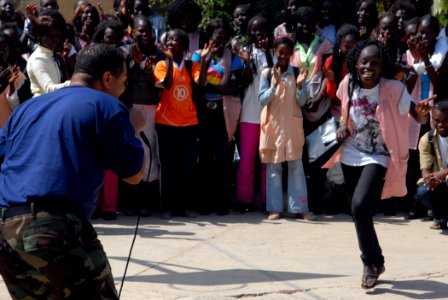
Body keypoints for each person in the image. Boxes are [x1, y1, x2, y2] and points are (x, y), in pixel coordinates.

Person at [0, 43, 145, 299]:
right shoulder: (107, 106)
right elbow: (134, 175)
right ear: (108, 79)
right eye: (123, 82)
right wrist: (132, 128)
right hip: (54, 227)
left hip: (6, 229)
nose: (123, 90)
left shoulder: (28, 107)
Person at [324, 39, 432, 289]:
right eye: (364, 62)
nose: (369, 66)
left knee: (360, 205)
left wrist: (423, 111)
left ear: (382, 65)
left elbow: (414, 112)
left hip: (379, 155)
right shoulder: (347, 84)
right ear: (356, 63)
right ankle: (377, 260)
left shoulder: (393, 88)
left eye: (375, 62)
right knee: (358, 212)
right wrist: (342, 128)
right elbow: (343, 114)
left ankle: (368, 264)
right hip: (351, 153)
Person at [259, 36, 316, 221]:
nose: (282, 56)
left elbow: (301, 101)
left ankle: (300, 208)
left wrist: (300, 85)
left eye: (286, 53)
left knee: (296, 166)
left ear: (291, 54)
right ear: (275, 52)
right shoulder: (267, 73)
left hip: (292, 126)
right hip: (274, 126)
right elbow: (262, 99)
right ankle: (274, 209)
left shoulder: (298, 72)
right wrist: (274, 85)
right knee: (274, 167)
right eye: (279, 52)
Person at [154, 29, 199, 219]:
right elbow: (169, 85)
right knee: (169, 166)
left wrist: (204, 61)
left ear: (185, 46)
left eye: (175, 40)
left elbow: (201, 82)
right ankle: (166, 207)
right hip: (167, 123)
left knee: (187, 166)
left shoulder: (192, 65)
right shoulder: (161, 65)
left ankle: (184, 206)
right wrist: (171, 61)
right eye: (168, 40)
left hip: (189, 123)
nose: (171, 42)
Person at [235, 16, 273, 213]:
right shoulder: (244, 53)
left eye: (263, 30)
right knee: (247, 159)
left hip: (270, 115)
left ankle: (268, 199)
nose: (259, 34)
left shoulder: (274, 54)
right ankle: (244, 198)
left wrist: (267, 53)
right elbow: (245, 80)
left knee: (267, 159)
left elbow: (275, 76)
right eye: (255, 31)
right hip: (249, 114)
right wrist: (248, 63)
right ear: (249, 33)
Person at [415, 100, 448, 230]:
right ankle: (440, 217)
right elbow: (425, 167)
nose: (440, 124)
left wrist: (443, 173)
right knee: (423, 191)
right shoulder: (427, 139)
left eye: (445, 120)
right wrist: (429, 179)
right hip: (441, 183)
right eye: (436, 120)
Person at [26, 9, 70, 97]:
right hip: (42, 105)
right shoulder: (37, 59)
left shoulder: (52, 55)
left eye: (57, 36)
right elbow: (49, 89)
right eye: (50, 36)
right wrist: (74, 83)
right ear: (39, 36)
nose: (55, 40)